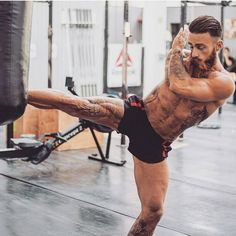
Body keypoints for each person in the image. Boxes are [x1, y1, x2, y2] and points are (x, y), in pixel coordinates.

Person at [27, 16, 235, 235]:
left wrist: (175, 49)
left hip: (155, 142)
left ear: (218, 45)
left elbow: (179, 84)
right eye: (191, 45)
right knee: (80, 106)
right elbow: (173, 76)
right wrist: (177, 53)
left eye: (201, 47)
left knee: (153, 212)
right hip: (138, 113)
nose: (193, 53)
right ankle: (14, 96)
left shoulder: (223, 83)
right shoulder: (183, 60)